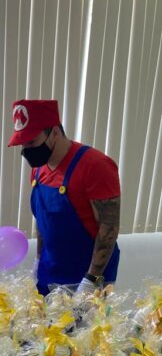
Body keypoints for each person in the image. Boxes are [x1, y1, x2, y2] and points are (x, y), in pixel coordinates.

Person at [8, 99, 120, 296]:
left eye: (31, 142)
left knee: (81, 318)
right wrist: (38, 261)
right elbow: (43, 221)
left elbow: (109, 228)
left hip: (86, 276)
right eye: (22, 144)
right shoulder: (38, 169)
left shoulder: (96, 166)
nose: (26, 150)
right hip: (49, 271)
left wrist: (91, 281)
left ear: (55, 132)